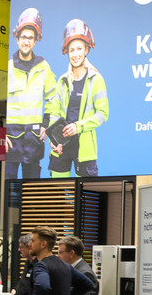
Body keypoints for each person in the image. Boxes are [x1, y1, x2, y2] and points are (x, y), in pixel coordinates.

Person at [47, 18, 109, 178]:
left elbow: (103, 114)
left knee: (87, 192)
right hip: (61, 147)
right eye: (72, 50)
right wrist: (54, 141)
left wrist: (78, 127)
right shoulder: (62, 81)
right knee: (56, 191)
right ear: (67, 52)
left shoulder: (96, 79)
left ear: (86, 50)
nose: (75, 54)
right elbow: (54, 113)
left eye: (79, 49)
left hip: (85, 148)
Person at [6, 7, 60, 179]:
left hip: (33, 138)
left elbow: (53, 98)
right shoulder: (8, 68)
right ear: (17, 38)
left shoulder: (43, 67)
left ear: (36, 40)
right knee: (9, 188)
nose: (26, 42)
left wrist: (47, 124)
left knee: (32, 188)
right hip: (10, 138)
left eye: (30, 38)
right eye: (23, 37)